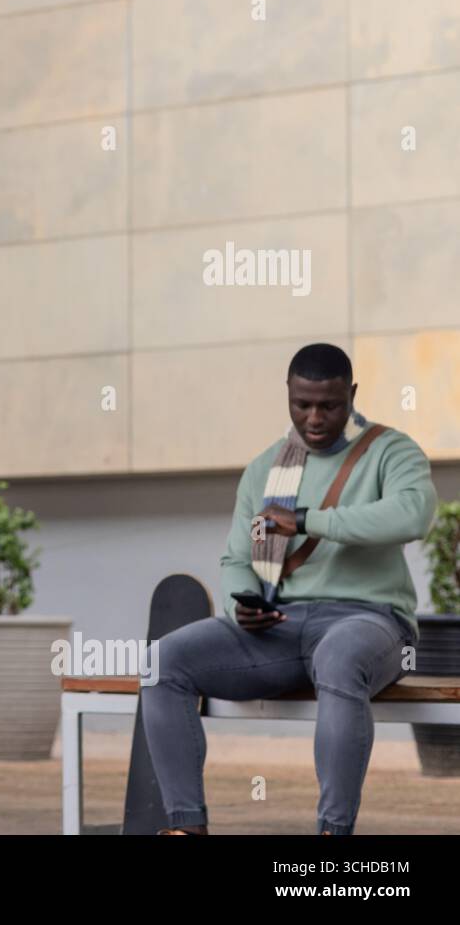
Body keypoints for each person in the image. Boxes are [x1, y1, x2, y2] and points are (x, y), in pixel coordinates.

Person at [140, 342, 437, 835]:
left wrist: (304, 520)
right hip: (281, 625)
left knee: (340, 656)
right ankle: (185, 825)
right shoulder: (266, 468)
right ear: (288, 395)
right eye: (302, 405)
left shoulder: (390, 450)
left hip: (370, 621)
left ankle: (332, 833)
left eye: (330, 405)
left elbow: (412, 515)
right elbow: (238, 558)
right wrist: (243, 604)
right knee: (164, 660)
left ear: (352, 395)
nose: (315, 418)